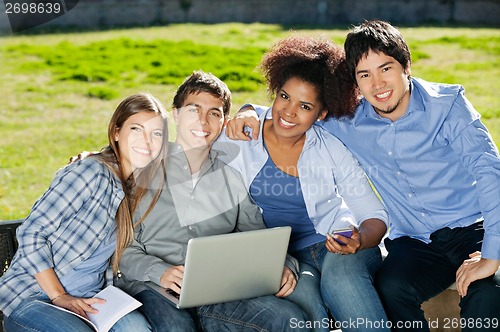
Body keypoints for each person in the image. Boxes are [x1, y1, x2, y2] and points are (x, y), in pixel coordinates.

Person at [227, 20, 500, 331]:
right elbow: (294, 112)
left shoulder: (448, 106)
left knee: (488, 294)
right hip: (414, 241)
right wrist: (249, 110)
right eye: (365, 75)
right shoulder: (349, 119)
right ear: (355, 83)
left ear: (406, 66)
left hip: (472, 227)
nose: (378, 85)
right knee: (390, 288)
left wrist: (492, 254)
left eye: (386, 68)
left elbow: (490, 172)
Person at [215, 35, 390, 332]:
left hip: (334, 242)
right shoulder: (242, 135)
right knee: (310, 317)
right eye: (284, 96)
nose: (289, 112)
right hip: (279, 256)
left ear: (321, 114)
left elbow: (375, 216)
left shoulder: (330, 147)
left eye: (305, 106)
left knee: (342, 281)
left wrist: (359, 239)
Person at [117, 71, 309, 332]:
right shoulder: (143, 170)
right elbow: (122, 248)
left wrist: (284, 264)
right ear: (175, 114)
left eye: (214, 113)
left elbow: (259, 237)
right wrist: (158, 271)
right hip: (153, 288)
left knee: (289, 320)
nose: (203, 121)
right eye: (193, 110)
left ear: (224, 122)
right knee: (177, 328)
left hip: (216, 291)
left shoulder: (232, 179)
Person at [0, 92, 169, 332]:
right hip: (34, 296)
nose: (147, 141)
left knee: (137, 329)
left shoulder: (138, 190)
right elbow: (31, 232)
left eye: (156, 133)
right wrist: (59, 296)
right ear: (117, 133)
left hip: (92, 298)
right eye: (136, 129)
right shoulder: (89, 173)